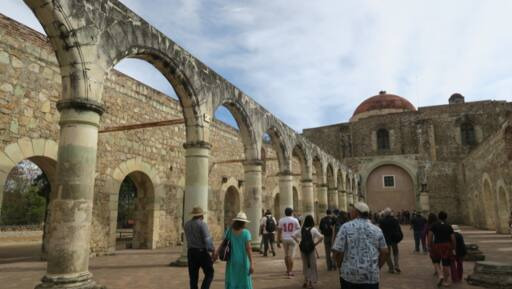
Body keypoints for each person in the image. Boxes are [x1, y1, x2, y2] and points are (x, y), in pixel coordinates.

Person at [332, 202, 388, 289]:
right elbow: (385, 252)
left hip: (349, 276)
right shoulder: (377, 230)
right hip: (371, 277)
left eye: (351, 210)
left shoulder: (345, 227)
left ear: (356, 212)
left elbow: (337, 251)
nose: (349, 212)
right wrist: (377, 267)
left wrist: (340, 266)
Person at [218, 212, 254, 289]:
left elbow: (223, 243)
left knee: (233, 279)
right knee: (244, 280)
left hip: (232, 260)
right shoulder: (246, 233)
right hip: (243, 261)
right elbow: (249, 249)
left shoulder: (229, 231)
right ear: (244, 223)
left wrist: (216, 253)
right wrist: (252, 263)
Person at [184, 207, 216, 289]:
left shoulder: (187, 224)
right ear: (201, 215)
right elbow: (207, 239)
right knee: (209, 272)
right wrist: (213, 250)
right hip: (201, 252)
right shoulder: (202, 224)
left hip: (191, 252)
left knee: (193, 277)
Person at [293, 215, 324, 289]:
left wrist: (299, 242)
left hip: (303, 249)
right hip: (311, 249)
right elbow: (321, 237)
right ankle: (311, 282)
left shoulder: (301, 229)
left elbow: (293, 235)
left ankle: (305, 280)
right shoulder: (313, 229)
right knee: (312, 265)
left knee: (305, 265)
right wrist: (315, 244)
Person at [428, 211, 456, 287]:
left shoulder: (434, 225)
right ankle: (446, 282)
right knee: (446, 263)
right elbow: (453, 238)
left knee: (435, 261)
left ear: (438, 217)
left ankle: (440, 275)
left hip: (437, 245)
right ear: (446, 217)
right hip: (447, 245)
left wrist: (429, 245)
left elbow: (430, 236)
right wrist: (453, 247)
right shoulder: (448, 226)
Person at [277, 207, 301, 277]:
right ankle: (290, 271)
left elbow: (279, 231)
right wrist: (297, 238)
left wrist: (278, 241)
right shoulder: (295, 220)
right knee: (291, 256)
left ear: (285, 213)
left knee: (286, 255)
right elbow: (299, 230)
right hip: (292, 239)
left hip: (284, 238)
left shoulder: (281, 220)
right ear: (292, 212)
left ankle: (287, 269)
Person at [379, 208, 403, 273]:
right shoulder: (395, 220)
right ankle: (396, 265)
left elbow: (380, 230)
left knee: (387, 254)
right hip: (394, 238)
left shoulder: (382, 221)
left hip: (386, 239)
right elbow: (398, 229)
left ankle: (391, 267)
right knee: (396, 252)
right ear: (390, 213)